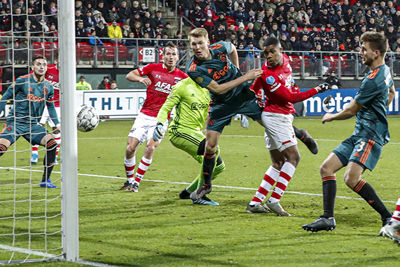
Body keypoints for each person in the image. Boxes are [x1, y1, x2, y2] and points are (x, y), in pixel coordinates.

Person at [302, 32, 395, 232]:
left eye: (364, 49)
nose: (360, 52)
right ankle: (328, 218)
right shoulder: (386, 70)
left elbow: (352, 110)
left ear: (376, 52)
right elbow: (392, 93)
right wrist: (381, 110)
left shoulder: (373, 79)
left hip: (370, 135)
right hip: (360, 133)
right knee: (326, 169)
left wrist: (331, 116)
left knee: (351, 179)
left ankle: (388, 217)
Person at [246, 37, 331, 215]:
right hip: (276, 117)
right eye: (265, 53)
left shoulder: (287, 63)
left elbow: (292, 87)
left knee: (278, 162)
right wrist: (318, 89)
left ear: (280, 50)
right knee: (294, 157)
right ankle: (275, 199)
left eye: (272, 52)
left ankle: (255, 203)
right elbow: (290, 97)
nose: (268, 56)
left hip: (282, 116)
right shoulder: (267, 75)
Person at [185, 27, 264, 201]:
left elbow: (233, 48)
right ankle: (206, 186)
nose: (197, 47)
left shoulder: (220, 47)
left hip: (242, 95)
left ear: (208, 41)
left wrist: (236, 69)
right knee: (210, 146)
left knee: (269, 122)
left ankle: (300, 134)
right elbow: (218, 89)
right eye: (193, 44)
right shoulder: (194, 69)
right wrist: (245, 77)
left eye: (200, 43)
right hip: (221, 104)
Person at [120, 42, 188, 192]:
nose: (171, 57)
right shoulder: (152, 68)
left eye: (174, 54)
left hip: (161, 120)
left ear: (178, 57)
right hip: (144, 115)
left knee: (150, 147)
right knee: (130, 148)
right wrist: (140, 79)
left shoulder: (183, 78)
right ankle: (129, 180)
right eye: (168, 54)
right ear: (163, 55)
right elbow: (129, 74)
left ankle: (136, 183)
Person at [153, 77, 225, 205]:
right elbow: (166, 107)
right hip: (180, 131)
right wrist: (159, 123)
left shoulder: (210, 87)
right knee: (213, 149)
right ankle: (199, 195)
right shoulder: (182, 86)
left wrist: (238, 112)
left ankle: (188, 192)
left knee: (218, 166)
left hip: (195, 132)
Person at [0, 56, 59, 188]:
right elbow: (4, 99)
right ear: (33, 67)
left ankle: (45, 180)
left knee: (52, 144)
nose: (41, 66)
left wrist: (56, 124)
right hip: (15, 122)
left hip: (32, 125)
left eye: (44, 64)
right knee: (1, 148)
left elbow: (50, 106)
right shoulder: (22, 81)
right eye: (38, 64)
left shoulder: (48, 87)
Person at [31, 62, 61, 165]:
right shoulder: (49, 70)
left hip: (57, 106)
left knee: (57, 130)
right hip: (43, 104)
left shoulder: (67, 74)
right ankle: (34, 153)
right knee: (39, 127)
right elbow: (35, 74)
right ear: (57, 60)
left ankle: (54, 156)